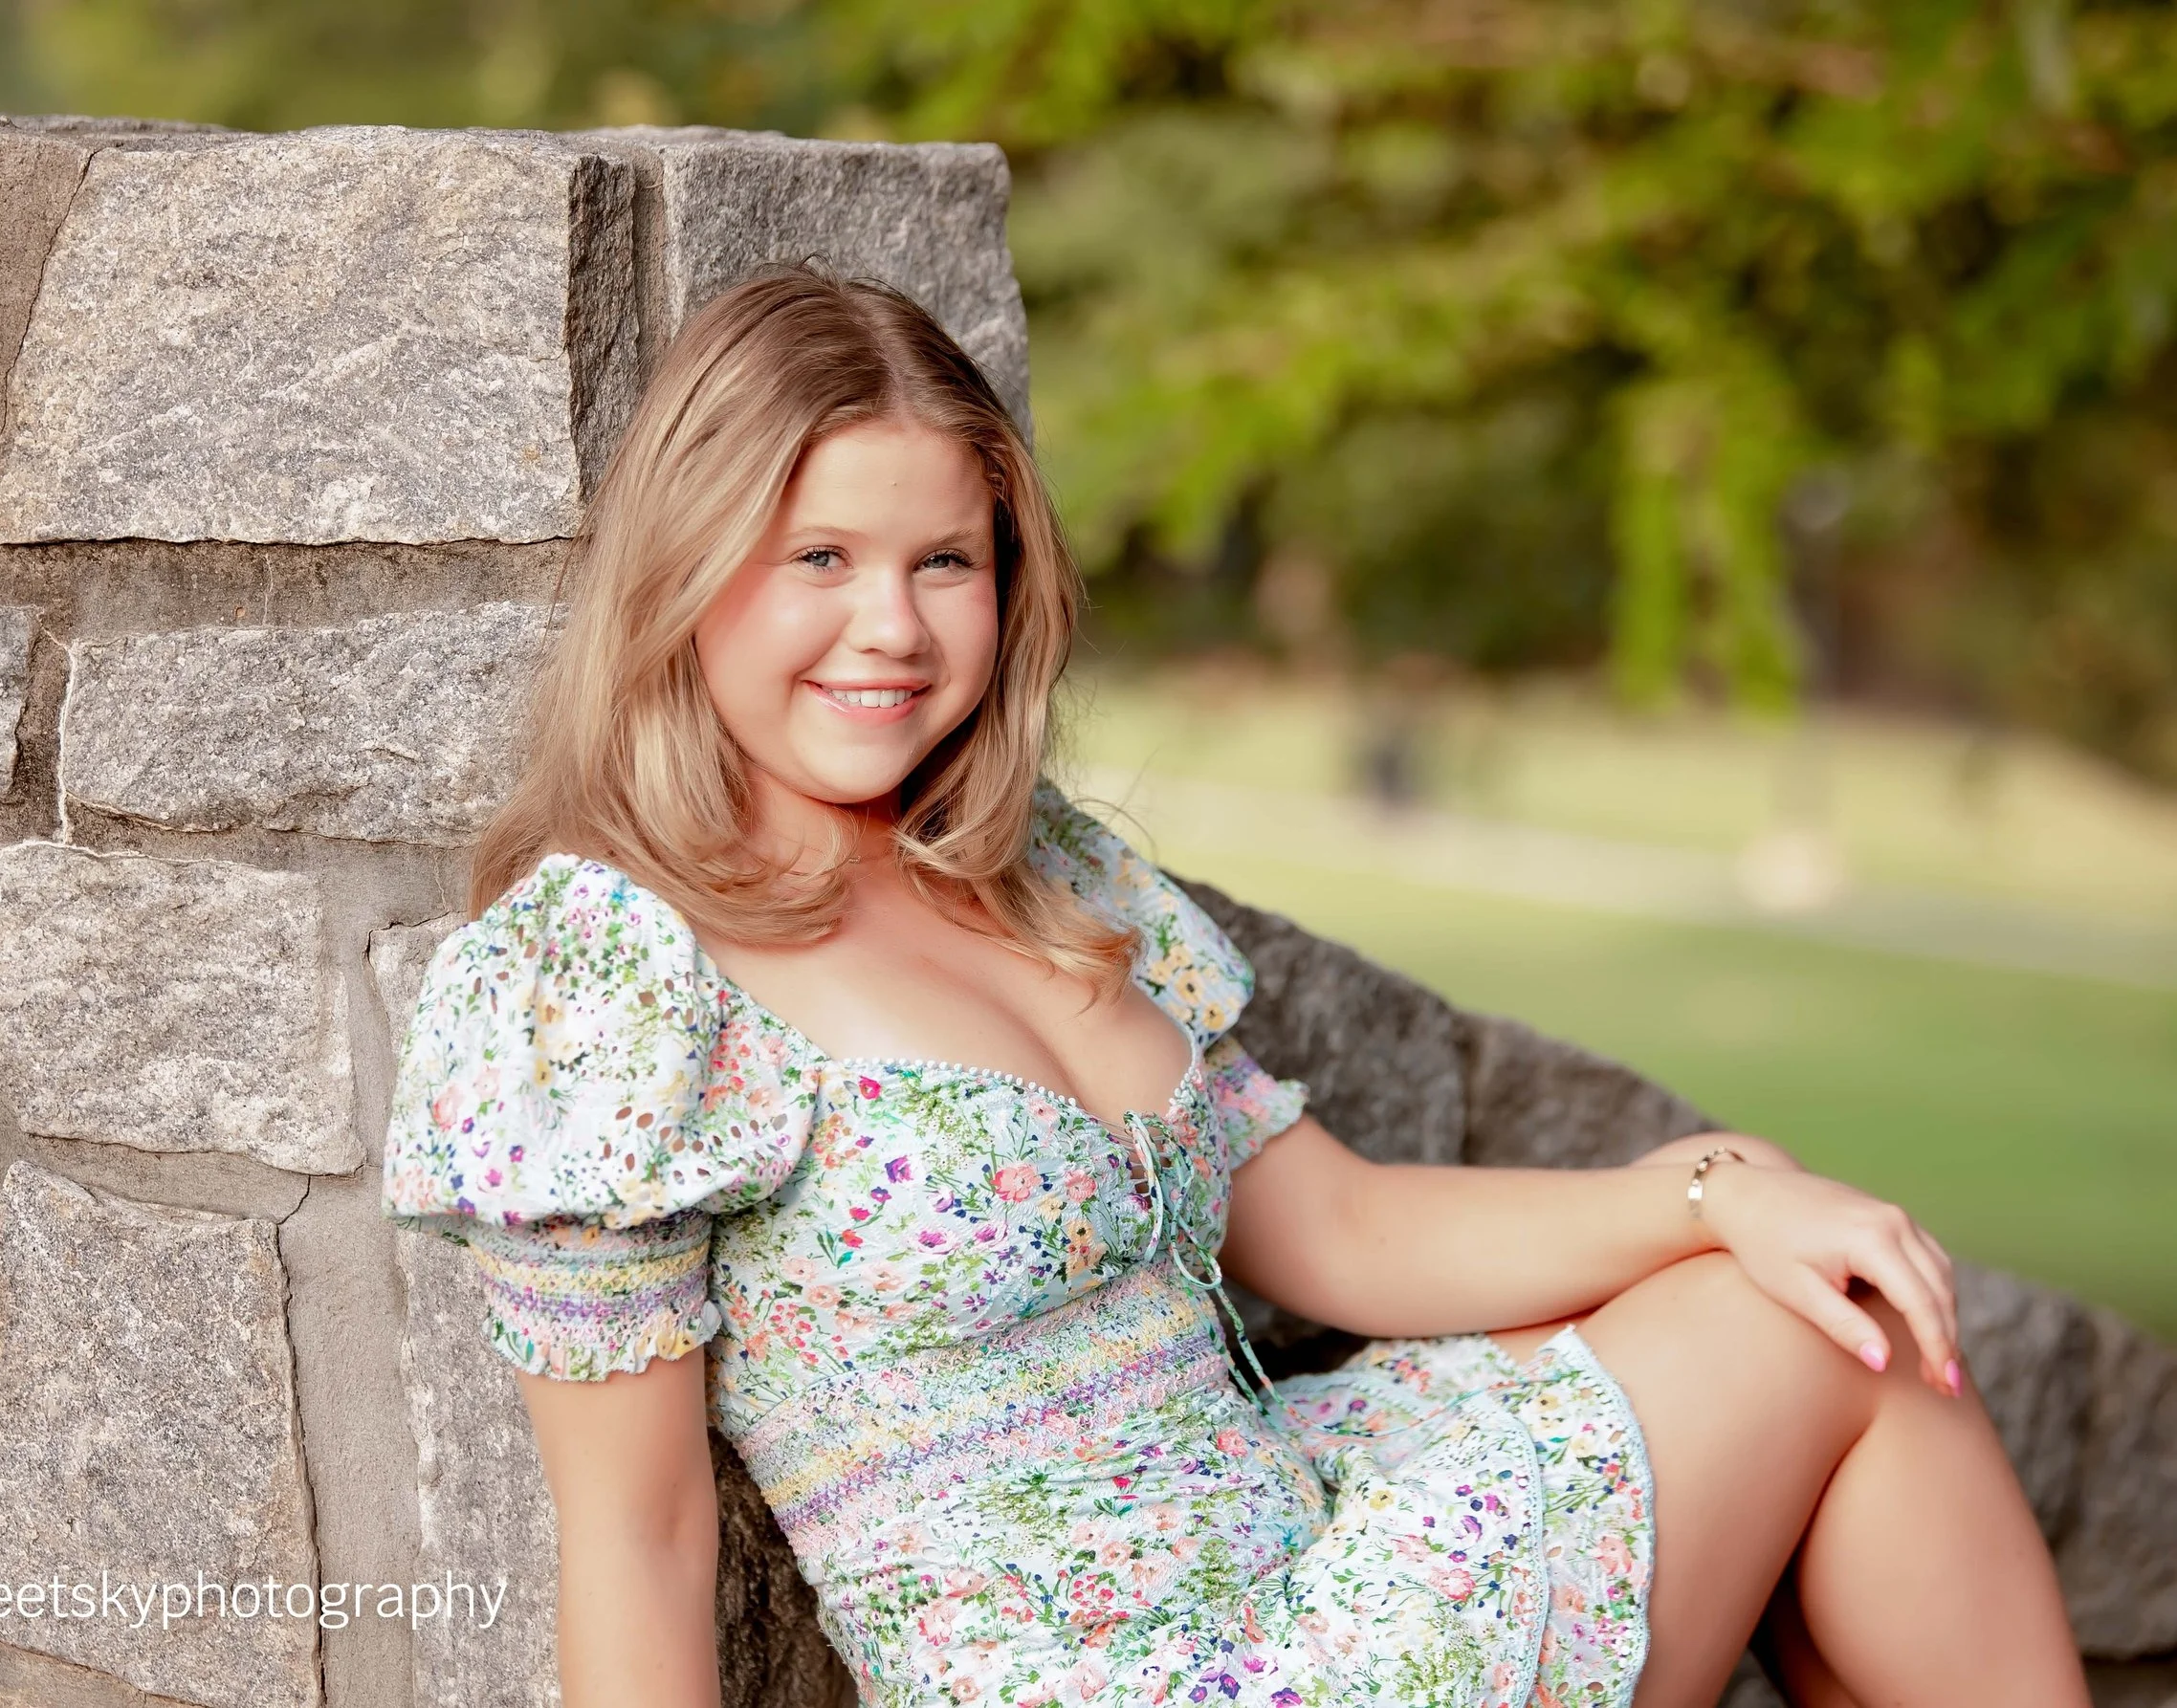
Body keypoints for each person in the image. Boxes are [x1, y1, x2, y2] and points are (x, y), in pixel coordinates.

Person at [382, 267, 2087, 1708]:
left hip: (1313, 1541)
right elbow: (640, 1536)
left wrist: (1713, 1193)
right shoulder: (600, 978)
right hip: (1141, 1674)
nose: (889, 627)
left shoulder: (1033, 863)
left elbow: (1336, 1232)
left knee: (1819, 1278)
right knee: (1836, 1332)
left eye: (944, 562)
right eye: (817, 557)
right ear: (686, 574)